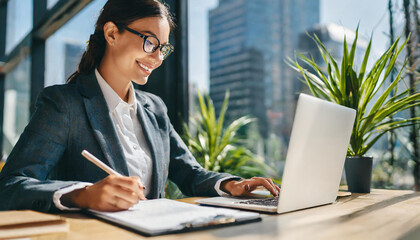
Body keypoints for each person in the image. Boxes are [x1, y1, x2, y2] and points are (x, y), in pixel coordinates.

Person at [0, 0, 280, 213]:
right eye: (150, 42)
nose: (157, 58)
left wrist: (231, 184)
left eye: (164, 48)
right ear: (111, 33)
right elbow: (10, 186)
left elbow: (188, 172)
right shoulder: (63, 104)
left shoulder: (154, 108)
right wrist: (82, 194)